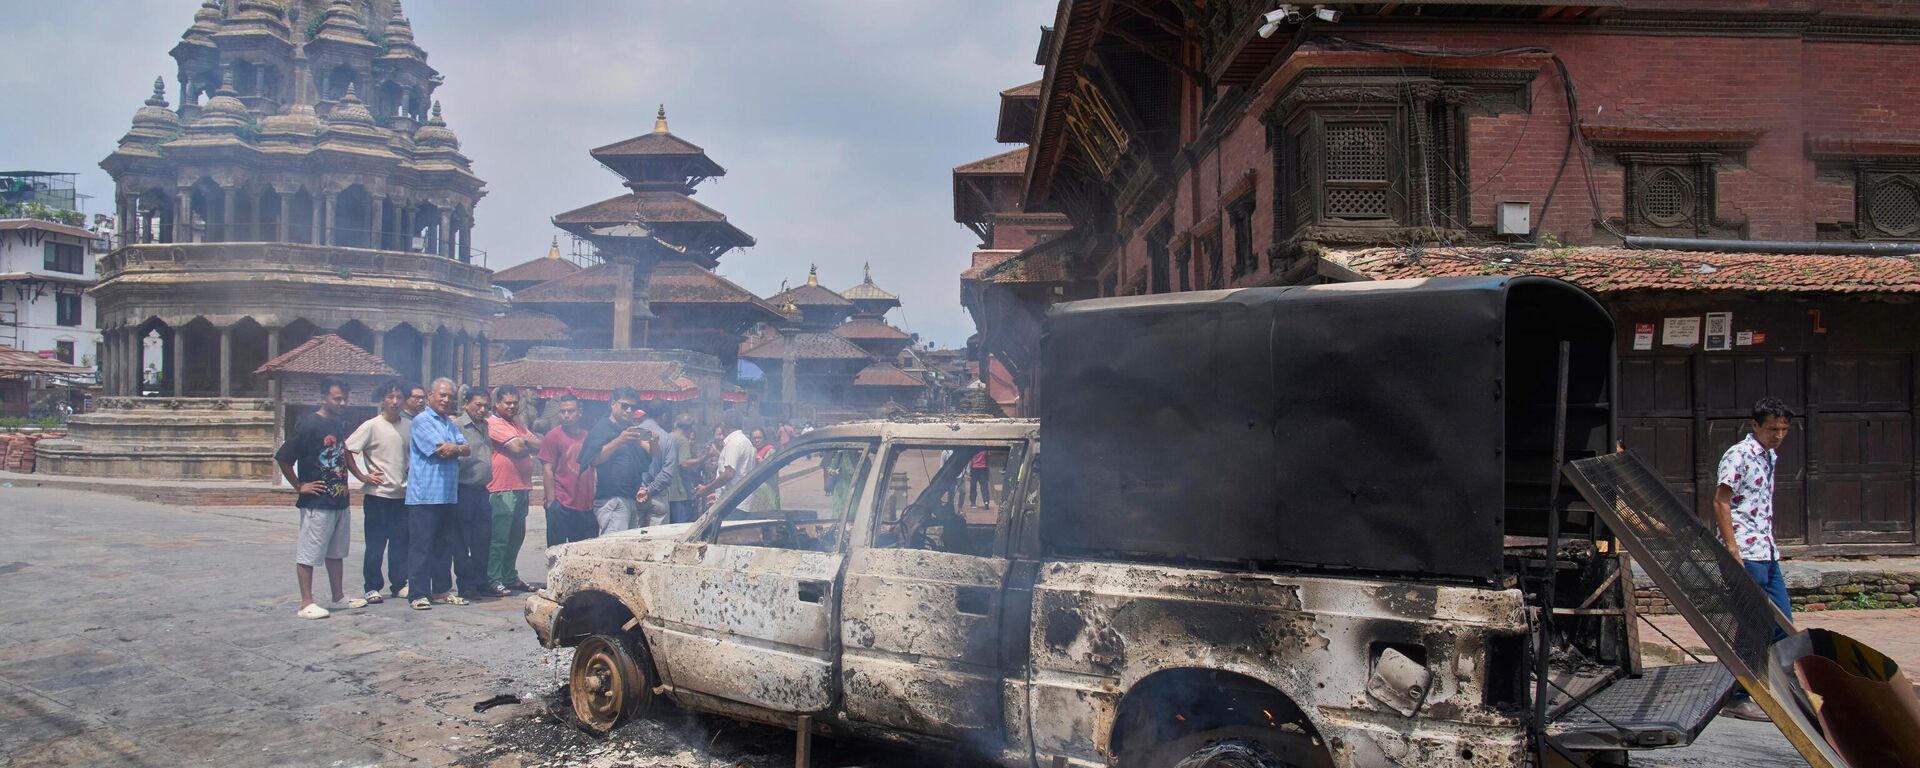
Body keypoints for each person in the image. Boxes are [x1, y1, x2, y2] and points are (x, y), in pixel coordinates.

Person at [1715, 396, 1795, 722]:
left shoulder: (1769, 456)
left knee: (1783, 625)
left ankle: (1768, 687)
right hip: (1745, 552)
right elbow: (1721, 501)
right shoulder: (1739, 455)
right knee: (1754, 625)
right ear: (1755, 425)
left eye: (1784, 429)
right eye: (1772, 428)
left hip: (1767, 550)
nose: (1778, 434)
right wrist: (1733, 550)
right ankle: (1737, 695)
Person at [274, 377, 365, 619]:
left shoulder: (338, 423)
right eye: (337, 398)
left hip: (339, 498)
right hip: (317, 500)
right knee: (309, 552)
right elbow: (283, 457)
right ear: (324, 397)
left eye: (345, 399)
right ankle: (306, 603)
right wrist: (299, 486)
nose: (342, 403)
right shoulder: (309, 425)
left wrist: (361, 476)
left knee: (336, 552)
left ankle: (338, 596)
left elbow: (344, 454)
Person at [344, 379, 412, 605]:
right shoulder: (371, 425)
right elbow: (348, 449)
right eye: (390, 397)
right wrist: (362, 476)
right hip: (377, 496)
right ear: (382, 399)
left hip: (401, 495)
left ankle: (399, 583)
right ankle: (371, 586)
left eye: (399, 397)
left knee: (400, 544)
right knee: (375, 544)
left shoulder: (408, 426)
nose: (394, 401)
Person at [405, 378, 468, 610]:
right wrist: (456, 448)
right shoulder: (422, 420)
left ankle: (441, 590)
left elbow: (465, 448)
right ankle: (418, 593)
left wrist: (457, 448)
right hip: (424, 496)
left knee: (444, 546)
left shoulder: (448, 423)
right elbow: (441, 451)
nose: (446, 400)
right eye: (442, 395)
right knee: (422, 547)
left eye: (450, 396)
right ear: (430, 395)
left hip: (448, 495)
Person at [485, 385, 540, 596]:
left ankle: (509, 575)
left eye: (515, 402)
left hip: (521, 487)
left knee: (516, 536)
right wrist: (527, 442)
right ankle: (494, 578)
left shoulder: (517, 424)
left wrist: (524, 441)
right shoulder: (493, 423)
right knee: (499, 538)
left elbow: (540, 445)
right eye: (507, 402)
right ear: (497, 403)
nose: (512, 406)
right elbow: (517, 449)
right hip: (501, 488)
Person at [578, 388, 654, 534]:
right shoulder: (602, 428)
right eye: (624, 406)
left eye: (633, 407)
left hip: (630, 498)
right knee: (614, 549)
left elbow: (651, 454)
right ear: (613, 404)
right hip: (612, 499)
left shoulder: (629, 429)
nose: (629, 410)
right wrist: (619, 440)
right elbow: (593, 459)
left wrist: (652, 440)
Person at [449, 387, 493, 603]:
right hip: (463, 489)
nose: (482, 409)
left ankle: (481, 581)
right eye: (478, 405)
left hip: (482, 491)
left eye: (485, 406)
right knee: (462, 541)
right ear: (466, 403)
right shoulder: (457, 425)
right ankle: (466, 585)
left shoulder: (484, 425)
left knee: (482, 539)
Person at [537, 395, 598, 545]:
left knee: (582, 553)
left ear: (580, 412)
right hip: (561, 503)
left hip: (585, 505)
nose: (566, 415)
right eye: (563, 411)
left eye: (570, 411)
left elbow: (593, 468)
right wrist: (552, 502)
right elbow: (547, 469)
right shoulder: (553, 437)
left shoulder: (587, 436)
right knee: (556, 552)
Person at [644, 413, 699, 525]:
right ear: (691, 428)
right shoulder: (683, 440)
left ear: (675, 424)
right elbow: (684, 463)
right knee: (680, 528)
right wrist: (705, 457)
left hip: (666, 493)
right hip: (680, 494)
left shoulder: (667, 436)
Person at [697, 412, 757, 508]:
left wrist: (706, 489)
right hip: (737, 500)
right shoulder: (744, 441)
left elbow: (729, 474)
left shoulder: (734, 443)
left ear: (724, 426)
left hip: (734, 503)